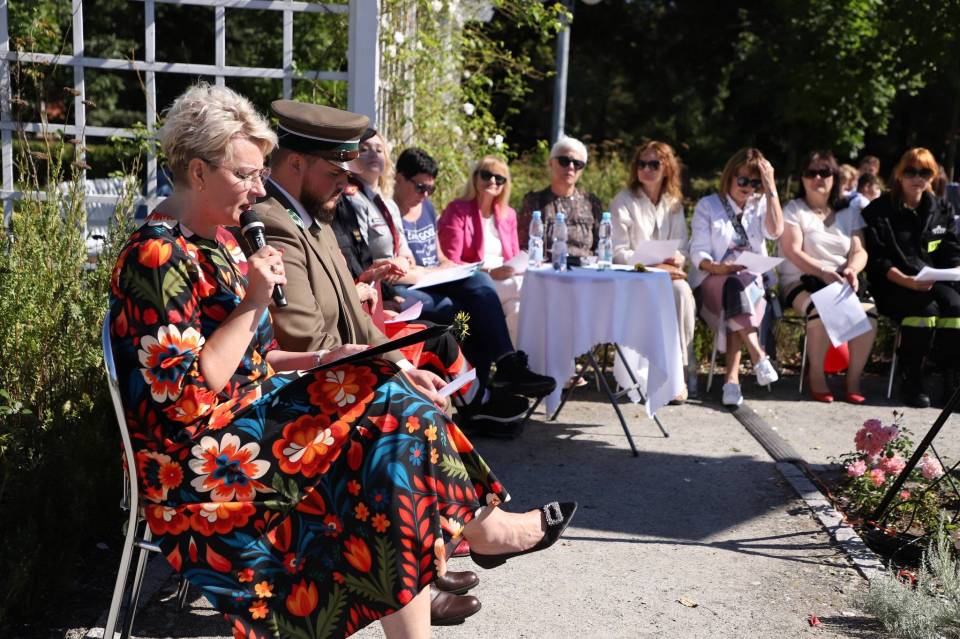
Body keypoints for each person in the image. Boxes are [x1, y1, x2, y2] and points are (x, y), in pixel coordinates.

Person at [108, 84, 577, 639]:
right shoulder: (156, 255)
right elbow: (190, 393)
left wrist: (327, 357)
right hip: (194, 462)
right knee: (390, 419)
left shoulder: (219, 241)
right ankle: (483, 531)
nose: (258, 188)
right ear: (198, 171)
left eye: (260, 173)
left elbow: (255, 359)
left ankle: (472, 544)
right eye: (246, 174)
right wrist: (255, 301)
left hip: (245, 426)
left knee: (387, 419)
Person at [336, 144, 555, 404]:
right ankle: (482, 394)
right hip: (404, 287)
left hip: (427, 278)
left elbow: (430, 253)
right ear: (401, 179)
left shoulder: (402, 207)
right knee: (464, 308)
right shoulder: (366, 204)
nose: (425, 195)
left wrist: (447, 266)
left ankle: (496, 376)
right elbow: (385, 267)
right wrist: (427, 271)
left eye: (430, 189)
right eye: (420, 187)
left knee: (481, 285)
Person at [862, 147, 960, 408]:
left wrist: (954, 271)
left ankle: (949, 379)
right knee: (924, 310)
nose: (917, 178)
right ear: (899, 174)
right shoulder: (879, 210)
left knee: (956, 307)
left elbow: (951, 252)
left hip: (932, 281)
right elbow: (878, 261)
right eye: (910, 171)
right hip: (893, 284)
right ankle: (911, 378)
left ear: (933, 176)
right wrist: (908, 281)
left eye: (924, 172)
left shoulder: (942, 209)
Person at [778, 151, 877, 404]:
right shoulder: (794, 210)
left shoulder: (850, 211)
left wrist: (852, 270)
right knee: (820, 311)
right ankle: (816, 376)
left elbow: (859, 250)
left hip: (841, 281)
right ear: (802, 178)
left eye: (824, 172)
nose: (817, 178)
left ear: (835, 177)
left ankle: (853, 380)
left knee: (869, 314)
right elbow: (793, 251)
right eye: (811, 173)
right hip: (802, 281)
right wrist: (822, 272)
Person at [689, 147, 784, 407]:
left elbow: (775, 232)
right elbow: (697, 251)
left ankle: (732, 382)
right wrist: (718, 267)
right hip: (713, 279)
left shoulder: (760, 204)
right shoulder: (708, 205)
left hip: (751, 281)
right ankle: (757, 357)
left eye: (754, 183)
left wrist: (771, 186)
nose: (748, 188)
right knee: (734, 287)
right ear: (729, 176)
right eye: (742, 180)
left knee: (738, 291)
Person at [608, 140, 696, 403]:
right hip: (634, 277)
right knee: (667, 291)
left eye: (653, 164)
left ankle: (677, 375)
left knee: (681, 291)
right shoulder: (623, 201)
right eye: (641, 164)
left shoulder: (674, 203)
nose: (646, 169)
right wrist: (648, 264)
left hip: (667, 276)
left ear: (666, 168)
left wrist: (677, 258)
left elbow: (683, 247)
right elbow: (617, 251)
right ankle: (643, 375)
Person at [438, 155, 523, 343]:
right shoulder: (457, 210)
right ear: (475, 177)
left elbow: (514, 257)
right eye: (486, 175)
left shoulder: (508, 215)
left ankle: (512, 359)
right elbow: (451, 262)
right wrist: (490, 272)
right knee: (522, 288)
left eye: (499, 178)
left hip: (505, 280)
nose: (492, 181)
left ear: (504, 185)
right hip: (473, 281)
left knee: (517, 309)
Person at [518, 136, 602, 259]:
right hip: (547, 268)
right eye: (564, 161)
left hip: (584, 268)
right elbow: (524, 247)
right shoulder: (535, 202)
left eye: (577, 164)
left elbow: (600, 246)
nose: (571, 167)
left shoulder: (591, 203)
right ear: (551, 163)